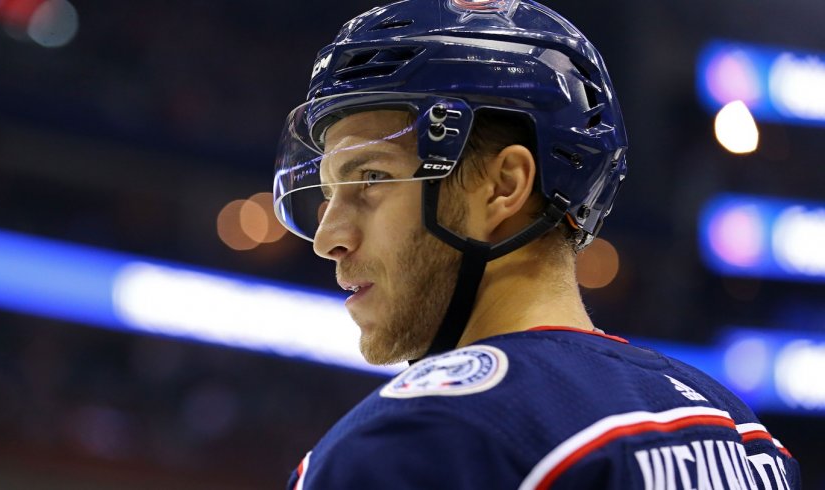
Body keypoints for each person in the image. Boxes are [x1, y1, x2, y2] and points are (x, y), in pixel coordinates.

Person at [272, 0, 802, 488]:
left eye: (370, 178)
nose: (327, 237)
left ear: (503, 187)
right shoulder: (745, 440)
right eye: (327, 193)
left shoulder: (422, 441)